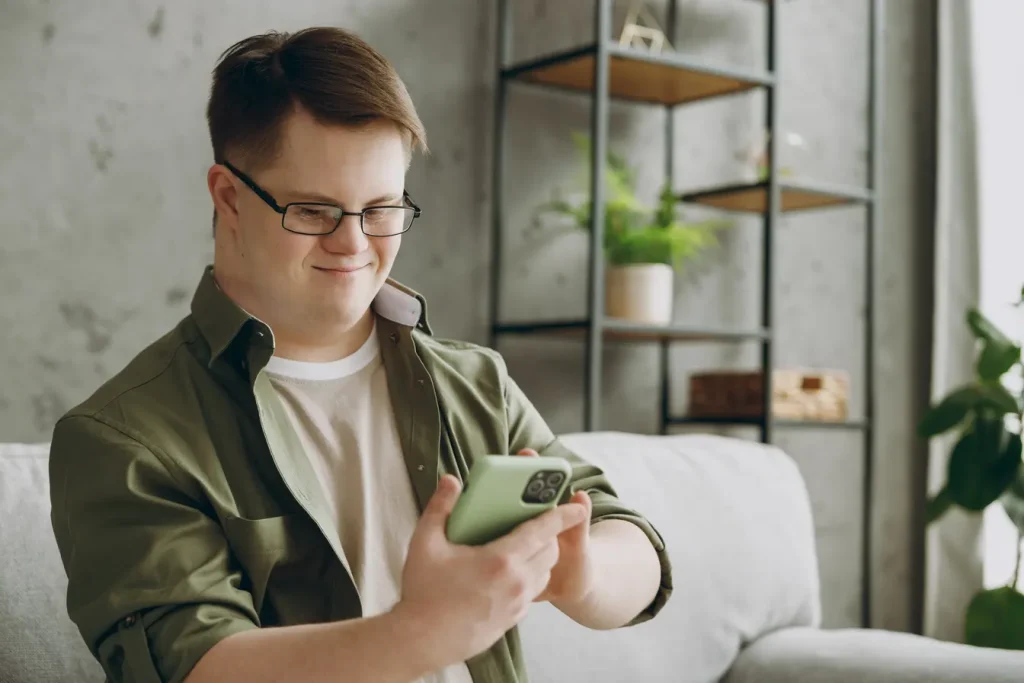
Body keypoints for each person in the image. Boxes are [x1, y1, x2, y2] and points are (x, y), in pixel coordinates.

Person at [48, 26, 671, 683]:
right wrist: (420, 633)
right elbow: (200, 667)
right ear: (229, 197)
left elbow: (632, 540)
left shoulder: (473, 382)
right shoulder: (125, 442)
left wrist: (583, 572)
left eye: (381, 208)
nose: (354, 244)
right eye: (314, 211)